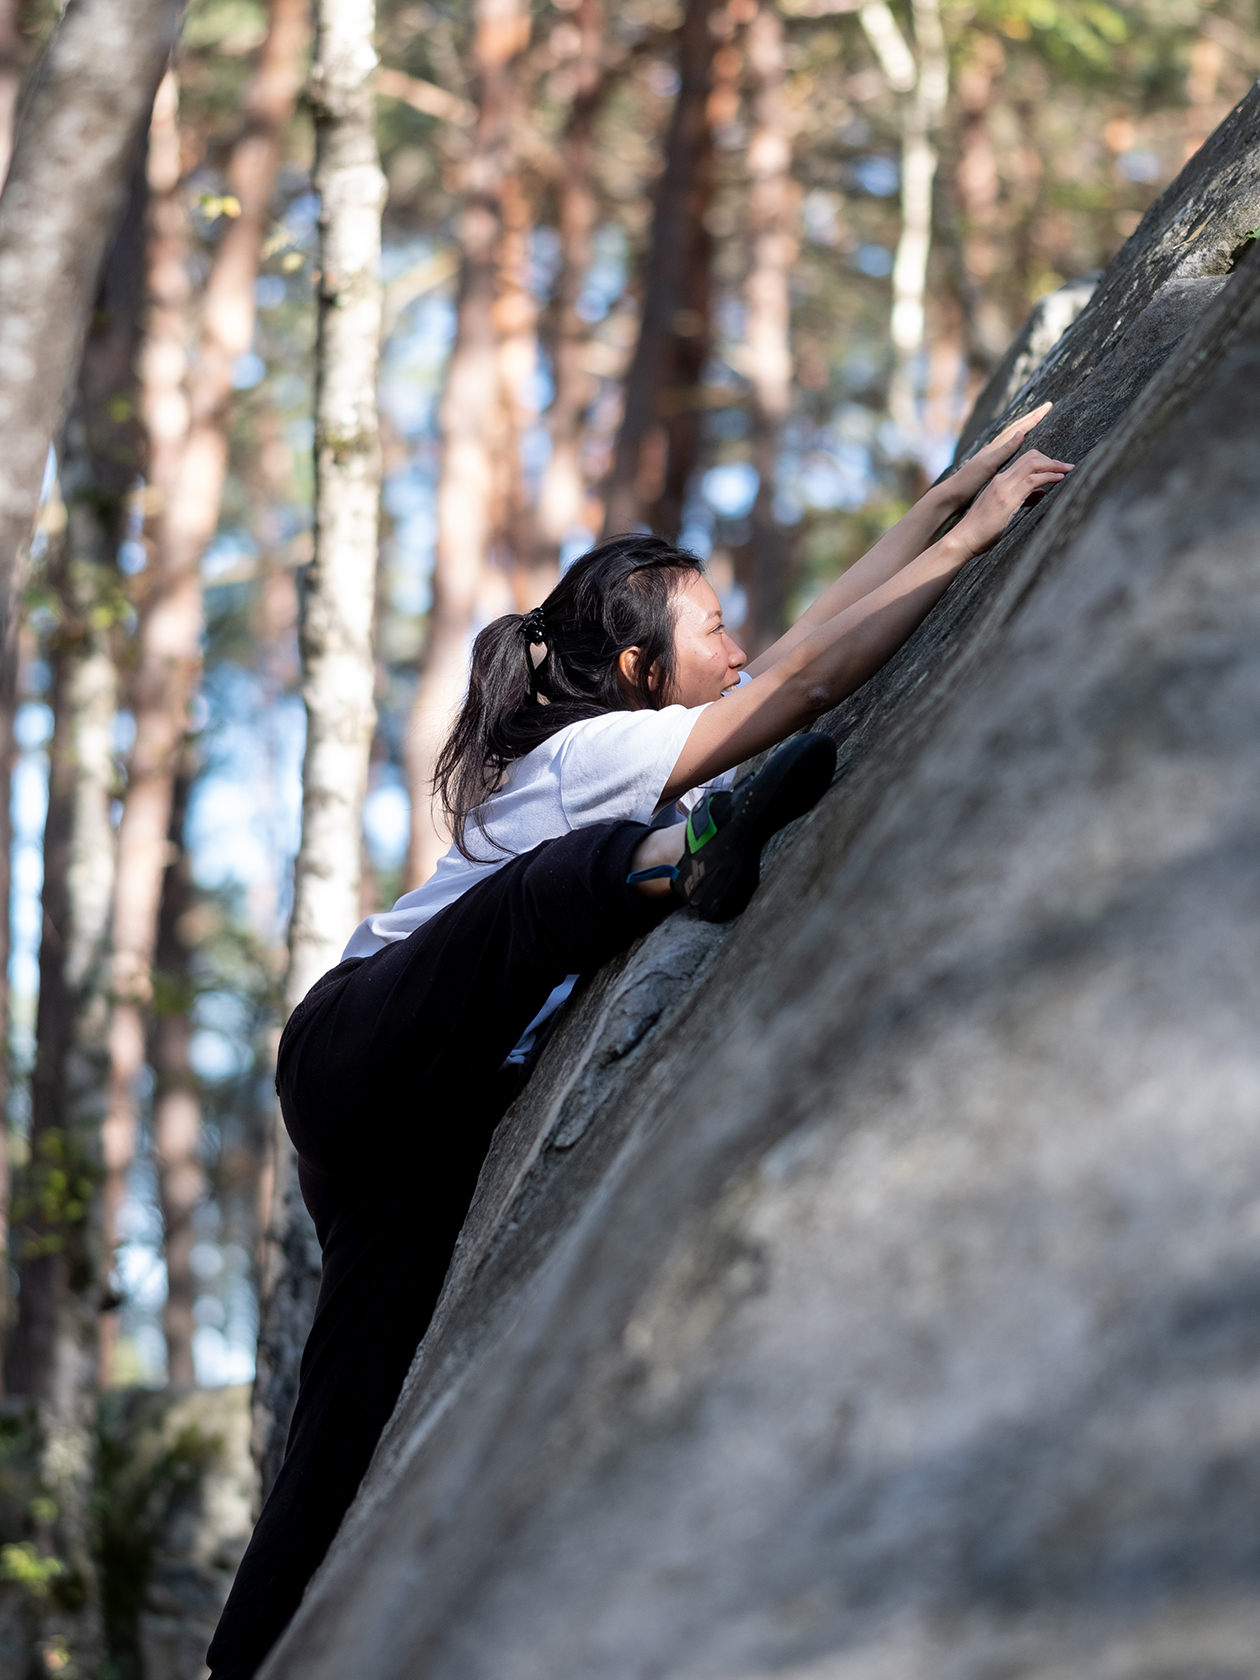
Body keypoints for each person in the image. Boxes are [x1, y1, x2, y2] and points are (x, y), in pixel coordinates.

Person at [207, 410, 1071, 1677]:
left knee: (341, 1440)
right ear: (631, 672)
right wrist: (980, 543)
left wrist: (946, 505)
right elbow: (807, 681)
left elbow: (793, 647)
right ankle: (681, 866)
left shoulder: (641, 724)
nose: (732, 643)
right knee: (542, 891)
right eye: (706, 628)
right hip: (359, 1049)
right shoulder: (590, 760)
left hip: (425, 1137)